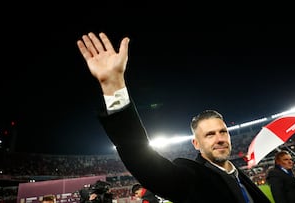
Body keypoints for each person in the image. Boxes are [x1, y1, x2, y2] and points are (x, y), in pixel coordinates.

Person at [77, 32, 271, 203]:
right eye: (210, 134)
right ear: (196, 143)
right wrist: (114, 84)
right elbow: (138, 155)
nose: (220, 138)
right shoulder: (191, 178)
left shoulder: (238, 175)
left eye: (223, 132)